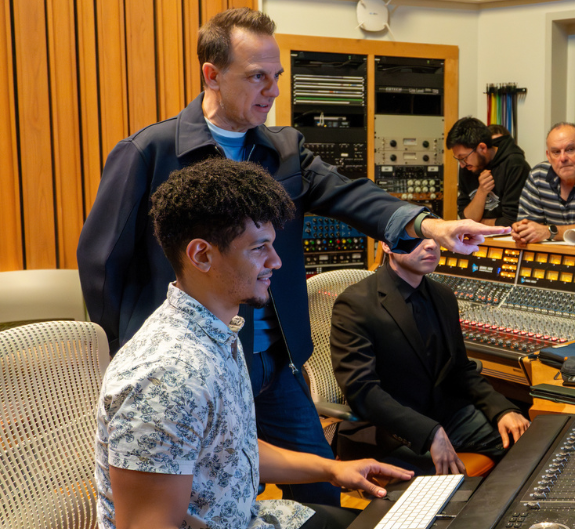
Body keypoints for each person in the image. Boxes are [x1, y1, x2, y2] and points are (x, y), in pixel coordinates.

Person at [76, 7, 505, 505]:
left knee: (323, 488)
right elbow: (102, 264)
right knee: (218, 498)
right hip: (197, 368)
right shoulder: (148, 152)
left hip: (274, 364)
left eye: (276, 76)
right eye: (257, 76)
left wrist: (432, 224)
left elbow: (352, 196)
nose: (273, 90)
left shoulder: (285, 149)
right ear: (211, 74)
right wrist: (135, 350)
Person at [95, 158, 414, 529]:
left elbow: (229, 449)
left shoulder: (216, 332)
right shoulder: (165, 377)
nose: (276, 262)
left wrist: (333, 469)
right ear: (201, 255)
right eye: (259, 248)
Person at [330, 238, 530, 475]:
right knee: (446, 487)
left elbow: (460, 369)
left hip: (447, 416)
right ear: (386, 245)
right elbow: (362, 391)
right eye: (417, 238)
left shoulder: (443, 296)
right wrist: (429, 432)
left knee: (528, 444)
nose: (431, 246)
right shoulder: (355, 303)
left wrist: (503, 410)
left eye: (435, 238)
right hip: (388, 430)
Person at [446, 116, 529, 226]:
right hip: (476, 239)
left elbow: (512, 221)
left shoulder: (515, 165)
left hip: (508, 240)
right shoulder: (468, 166)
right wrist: (481, 192)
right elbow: (464, 218)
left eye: (464, 157)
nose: (461, 165)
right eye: (458, 159)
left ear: (482, 148)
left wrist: (478, 223)